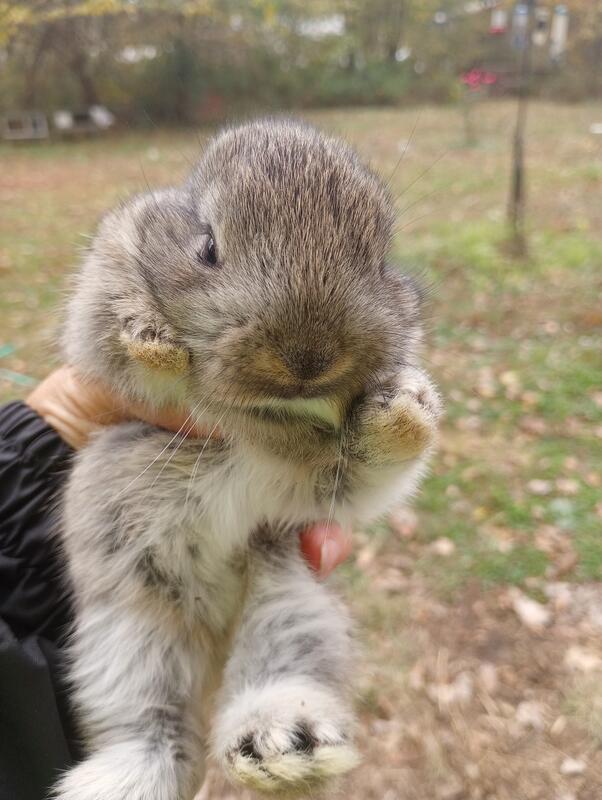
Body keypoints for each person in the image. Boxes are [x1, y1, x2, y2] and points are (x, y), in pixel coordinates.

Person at [0, 367, 352, 800]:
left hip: (230, 515)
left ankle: (281, 695)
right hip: (142, 511)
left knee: (282, 571)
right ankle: (153, 747)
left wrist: (40, 453)